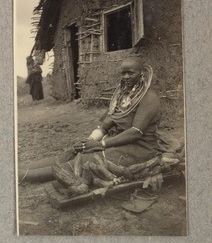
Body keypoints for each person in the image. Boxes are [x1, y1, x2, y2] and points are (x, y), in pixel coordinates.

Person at [19, 56, 161, 193]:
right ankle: (19, 168)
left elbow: (135, 132)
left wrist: (101, 145)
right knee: (73, 152)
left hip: (138, 149)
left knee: (84, 161)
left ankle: (21, 176)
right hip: (119, 143)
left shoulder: (149, 98)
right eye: (123, 73)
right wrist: (90, 140)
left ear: (141, 74)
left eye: (131, 73)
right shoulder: (123, 96)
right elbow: (106, 125)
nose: (126, 76)